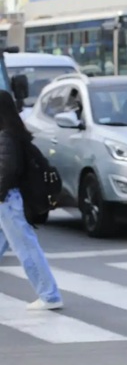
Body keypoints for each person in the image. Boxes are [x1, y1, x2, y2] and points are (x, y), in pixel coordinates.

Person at [0, 90, 63, 311]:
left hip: (7, 200)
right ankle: (49, 294)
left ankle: (49, 295)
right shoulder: (14, 133)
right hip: (8, 200)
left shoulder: (5, 136)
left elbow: (7, 170)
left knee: (26, 248)